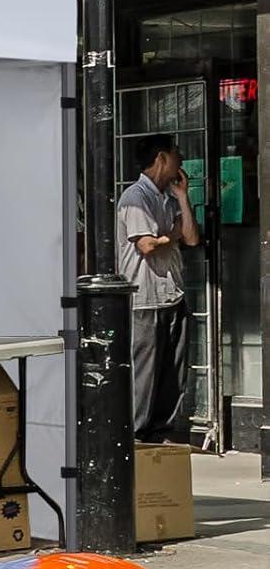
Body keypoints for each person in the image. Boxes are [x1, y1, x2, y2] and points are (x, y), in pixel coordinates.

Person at [117, 133, 202, 443]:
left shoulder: (168, 197)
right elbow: (148, 244)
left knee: (174, 372)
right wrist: (172, 233)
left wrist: (182, 198)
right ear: (162, 159)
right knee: (146, 373)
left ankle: (161, 432)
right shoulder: (135, 197)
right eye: (176, 155)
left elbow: (192, 237)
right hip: (144, 298)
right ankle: (137, 435)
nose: (181, 161)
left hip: (172, 294)